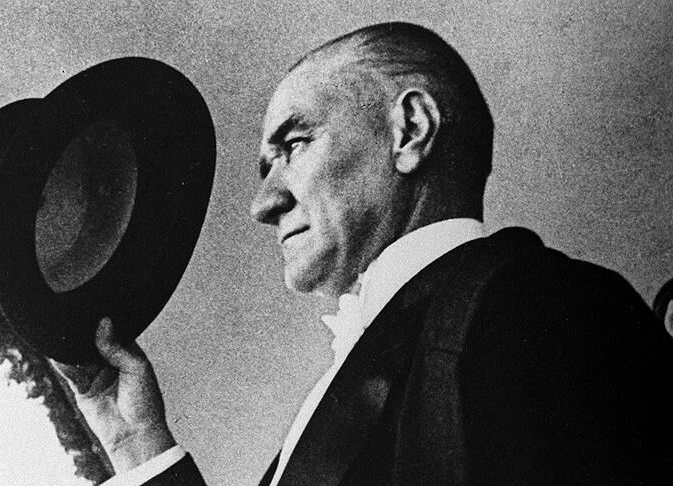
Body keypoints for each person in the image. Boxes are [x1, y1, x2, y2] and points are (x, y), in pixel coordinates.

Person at [56, 22, 673, 485]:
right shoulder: (405, 346)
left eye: (295, 145)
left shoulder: (541, 303)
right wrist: (139, 442)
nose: (263, 203)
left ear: (411, 130)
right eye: (267, 167)